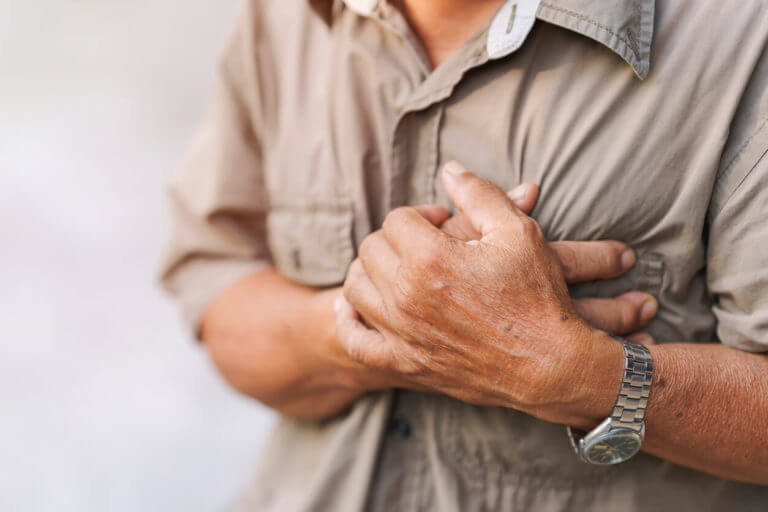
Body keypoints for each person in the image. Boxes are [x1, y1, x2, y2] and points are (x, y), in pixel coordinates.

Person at [160, 0, 768, 510]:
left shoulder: (740, 37)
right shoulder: (285, 16)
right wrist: (382, 326)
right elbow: (218, 288)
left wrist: (583, 376)